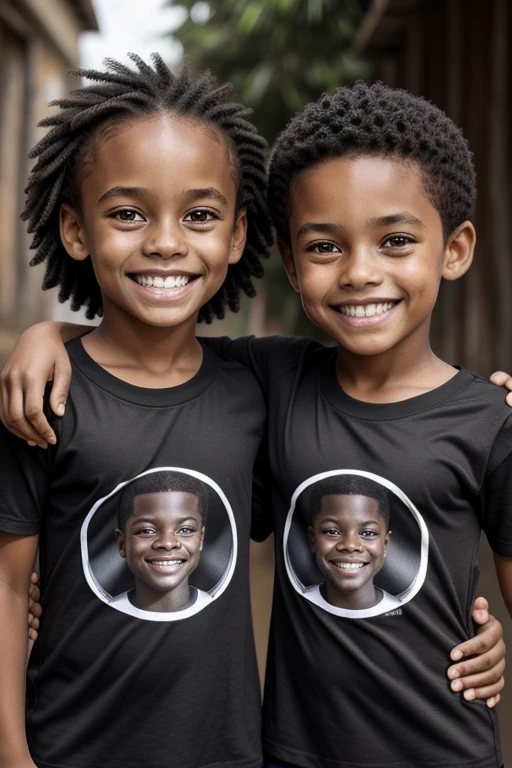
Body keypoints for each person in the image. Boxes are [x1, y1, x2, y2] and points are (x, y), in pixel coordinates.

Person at [1, 78, 510, 764]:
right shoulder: (59, 399)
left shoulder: (470, 417)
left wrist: (483, 633)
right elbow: (11, 586)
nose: (360, 272)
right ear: (294, 267)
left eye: (394, 239)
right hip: (197, 750)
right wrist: (45, 335)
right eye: (326, 247)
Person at [0, 53, 273, 768]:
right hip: (67, 750)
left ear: (237, 236)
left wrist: (490, 396)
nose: (164, 241)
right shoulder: (43, 398)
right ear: (75, 229)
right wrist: (11, 754)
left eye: (201, 215)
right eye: (127, 213)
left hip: (225, 752)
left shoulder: (261, 386)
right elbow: (6, 588)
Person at [112, 470, 211, 615]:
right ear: (121, 544)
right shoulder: (99, 617)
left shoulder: (222, 611)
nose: (167, 543)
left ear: (200, 539)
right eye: (147, 531)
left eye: (185, 530)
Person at [305, 473, 398, 613]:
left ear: (385, 544)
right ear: (313, 539)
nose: (350, 545)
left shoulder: (406, 614)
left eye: (368, 533)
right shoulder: (297, 607)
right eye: (332, 531)